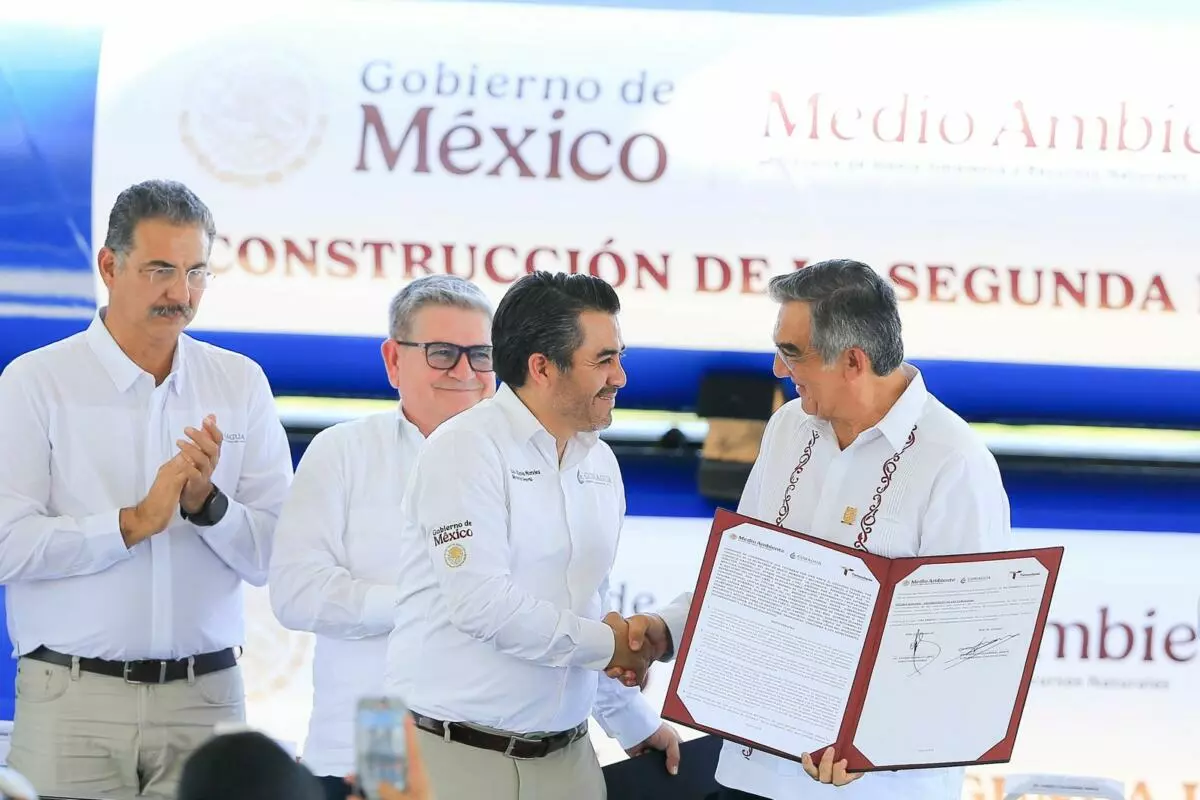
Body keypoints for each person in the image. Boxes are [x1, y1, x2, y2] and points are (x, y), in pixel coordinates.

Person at [608, 259, 1011, 800]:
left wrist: (871, 746)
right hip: (748, 774)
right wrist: (669, 630)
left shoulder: (955, 463)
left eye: (792, 353)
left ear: (853, 360)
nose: (777, 368)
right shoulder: (788, 426)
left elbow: (969, 651)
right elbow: (743, 573)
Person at [0, 179, 294, 799]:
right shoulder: (35, 383)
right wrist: (130, 523)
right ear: (109, 265)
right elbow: (7, 545)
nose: (180, 293)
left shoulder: (241, 383)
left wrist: (207, 507)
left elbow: (276, 557)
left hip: (206, 700)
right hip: (71, 701)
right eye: (160, 269)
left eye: (196, 272)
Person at [382, 271, 680, 800]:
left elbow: (588, 612)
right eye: (603, 360)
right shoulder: (466, 449)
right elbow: (482, 605)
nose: (621, 377)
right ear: (542, 367)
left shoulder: (602, 463)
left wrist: (634, 723)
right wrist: (612, 643)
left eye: (620, 357)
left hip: (569, 762)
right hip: (451, 761)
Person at [268, 274, 496, 799]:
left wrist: (633, 724)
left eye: (481, 354)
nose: (465, 371)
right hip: (373, 747)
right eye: (442, 352)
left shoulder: (527, 464)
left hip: (494, 755)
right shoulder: (342, 452)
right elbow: (296, 594)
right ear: (394, 360)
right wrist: (427, 605)